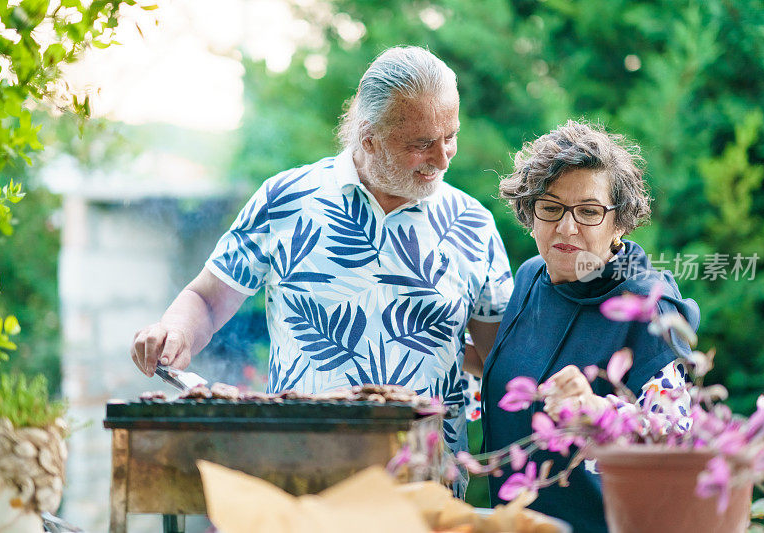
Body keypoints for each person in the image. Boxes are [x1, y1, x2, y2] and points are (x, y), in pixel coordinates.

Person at [130, 46, 513, 492]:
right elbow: (208, 299)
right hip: (301, 478)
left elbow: (500, 362)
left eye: (451, 136)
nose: (444, 158)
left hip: (426, 487)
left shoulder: (473, 223)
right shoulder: (285, 200)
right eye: (421, 144)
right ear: (368, 137)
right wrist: (175, 331)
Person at [480, 120, 699, 532]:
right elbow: (510, 375)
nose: (566, 227)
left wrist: (598, 410)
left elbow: (675, 444)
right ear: (530, 213)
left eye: (589, 211)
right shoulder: (530, 277)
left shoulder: (649, 306)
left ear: (620, 222)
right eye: (550, 207)